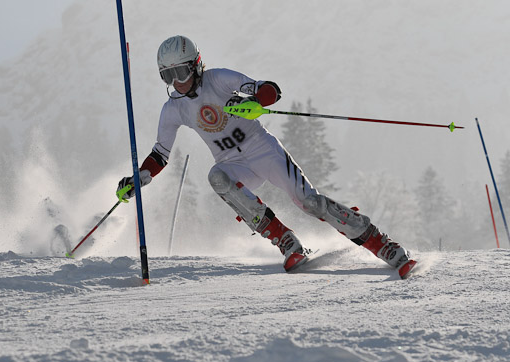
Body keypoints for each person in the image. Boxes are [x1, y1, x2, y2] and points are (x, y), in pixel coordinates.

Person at [117, 35, 417, 278]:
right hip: (233, 164)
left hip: (262, 149)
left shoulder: (219, 79)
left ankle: (382, 244)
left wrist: (252, 101)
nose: (177, 82)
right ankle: (286, 240)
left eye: (180, 72)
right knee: (217, 177)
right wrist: (139, 179)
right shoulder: (173, 108)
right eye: (167, 76)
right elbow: (160, 154)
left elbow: (270, 90)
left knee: (309, 203)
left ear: (195, 65)